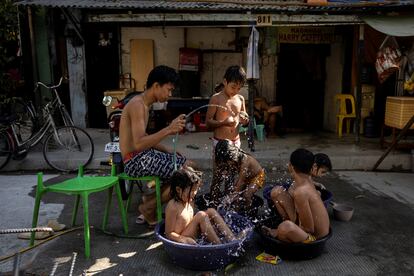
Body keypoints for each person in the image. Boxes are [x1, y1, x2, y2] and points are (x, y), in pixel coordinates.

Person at [119, 65, 195, 226]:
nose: (170, 94)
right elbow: (139, 143)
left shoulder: (144, 104)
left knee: (188, 165)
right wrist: (169, 129)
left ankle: (149, 200)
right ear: (156, 86)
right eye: (168, 89)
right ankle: (148, 207)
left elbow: (143, 137)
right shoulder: (138, 105)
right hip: (133, 161)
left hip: (141, 155)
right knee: (186, 176)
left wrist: (168, 151)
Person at [262, 148, 330, 243]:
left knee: (284, 228)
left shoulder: (301, 192)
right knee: (276, 191)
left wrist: (277, 231)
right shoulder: (305, 181)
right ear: (312, 168)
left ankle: (290, 229)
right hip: (306, 227)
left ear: (291, 166)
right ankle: (293, 226)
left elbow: (309, 229)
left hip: (314, 237)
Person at [205, 65, 249, 205]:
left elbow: (244, 117)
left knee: (232, 176)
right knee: (218, 175)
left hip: (235, 142)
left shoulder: (240, 99)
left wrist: (245, 120)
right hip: (220, 143)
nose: (235, 91)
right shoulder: (216, 99)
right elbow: (208, 123)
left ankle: (227, 205)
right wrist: (223, 123)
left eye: (238, 88)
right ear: (225, 82)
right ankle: (213, 203)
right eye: (233, 87)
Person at [164, 167, 240, 245]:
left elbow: (191, 222)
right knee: (201, 215)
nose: (194, 193)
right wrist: (183, 239)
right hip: (182, 240)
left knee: (211, 211)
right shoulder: (173, 206)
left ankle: (233, 240)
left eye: (196, 190)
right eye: (192, 190)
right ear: (178, 190)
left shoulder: (189, 201)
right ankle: (220, 246)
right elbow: (169, 233)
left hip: (192, 235)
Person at [265, 152, 332, 221]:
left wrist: (317, 184)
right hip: (295, 208)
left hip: (294, 203)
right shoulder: (304, 177)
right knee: (318, 194)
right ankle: (292, 221)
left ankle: (287, 220)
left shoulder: (306, 175)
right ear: (314, 166)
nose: (323, 175)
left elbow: (307, 182)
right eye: (323, 172)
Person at [214, 139, 265, 216]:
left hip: (257, 177)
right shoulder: (234, 160)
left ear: (233, 155)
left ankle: (249, 213)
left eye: (228, 160)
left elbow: (241, 181)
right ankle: (235, 214)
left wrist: (233, 194)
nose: (227, 163)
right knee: (236, 197)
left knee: (246, 195)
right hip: (245, 178)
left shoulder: (245, 161)